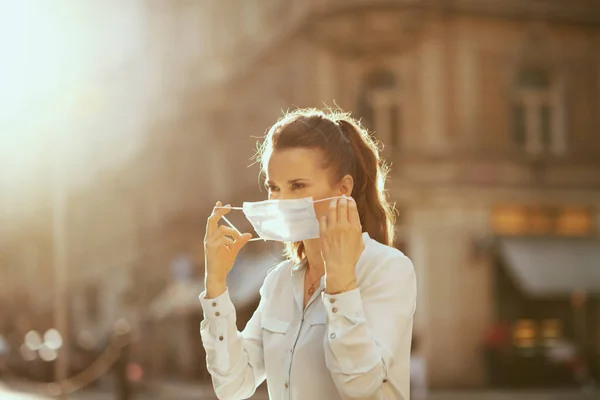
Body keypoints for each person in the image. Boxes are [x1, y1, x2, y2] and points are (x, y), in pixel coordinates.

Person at [200, 108, 417, 400]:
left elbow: (361, 387)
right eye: (273, 187)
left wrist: (340, 283)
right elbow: (233, 386)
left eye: (298, 186)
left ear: (342, 190)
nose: (280, 201)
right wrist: (215, 286)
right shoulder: (277, 283)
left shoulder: (387, 269)